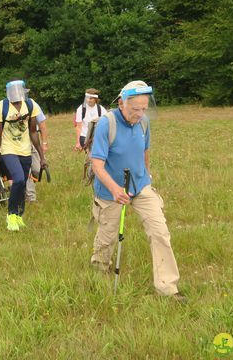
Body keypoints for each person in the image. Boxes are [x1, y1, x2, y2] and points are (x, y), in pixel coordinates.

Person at [89, 80, 185, 302]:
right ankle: (99, 269)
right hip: (110, 191)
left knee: (160, 231)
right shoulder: (107, 124)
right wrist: (114, 189)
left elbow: (145, 151)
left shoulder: (144, 123)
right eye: (135, 109)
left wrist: (147, 177)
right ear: (122, 103)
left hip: (140, 186)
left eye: (144, 109)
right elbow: (97, 164)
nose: (140, 114)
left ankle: (167, 287)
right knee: (108, 236)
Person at [0, 80, 47, 231]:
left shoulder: (31, 105)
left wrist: (42, 157)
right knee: (18, 179)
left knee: (23, 184)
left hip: (25, 150)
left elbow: (34, 132)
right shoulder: (0, 107)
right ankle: (11, 215)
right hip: (8, 149)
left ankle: (19, 216)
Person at [25, 101, 49, 203]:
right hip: (18, 143)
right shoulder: (9, 106)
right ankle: (31, 197)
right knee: (26, 169)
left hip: (32, 139)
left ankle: (25, 188)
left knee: (37, 170)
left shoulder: (32, 104)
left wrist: (44, 143)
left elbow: (42, 124)